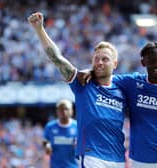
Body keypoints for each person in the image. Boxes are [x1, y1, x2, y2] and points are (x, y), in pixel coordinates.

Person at [28, 12, 127, 168]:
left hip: (118, 159)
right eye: (96, 58)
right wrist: (40, 30)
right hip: (91, 157)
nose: (99, 62)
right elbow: (58, 60)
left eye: (105, 59)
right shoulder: (83, 83)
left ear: (115, 64)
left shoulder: (123, 88)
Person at [78, 42, 157, 168]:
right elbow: (107, 76)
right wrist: (91, 71)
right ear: (143, 63)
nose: (155, 65)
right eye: (152, 61)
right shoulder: (132, 83)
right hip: (140, 161)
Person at [43, 99, 78, 168]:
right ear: (57, 111)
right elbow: (45, 140)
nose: (63, 112)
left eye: (66, 109)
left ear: (71, 111)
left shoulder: (77, 126)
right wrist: (47, 145)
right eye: (61, 109)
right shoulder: (50, 126)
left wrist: (78, 145)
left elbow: (85, 145)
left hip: (73, 165)